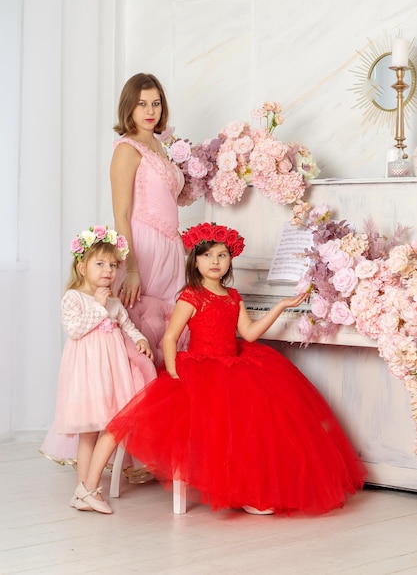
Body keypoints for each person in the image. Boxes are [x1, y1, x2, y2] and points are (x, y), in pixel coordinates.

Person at [74, 222, 367, 515]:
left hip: (234, 364)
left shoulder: (233, 296)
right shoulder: (191, 295)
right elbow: (171, 338)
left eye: (222, 255)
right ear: (195, 260)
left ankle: (251, 491)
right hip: (198, 367)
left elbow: (249, 334)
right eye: (207, 256)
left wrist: (281, 307)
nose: (215, 262)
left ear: (230, 260)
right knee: (195, 423)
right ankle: (88, 487)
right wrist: (175, 372)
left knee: (257, 418)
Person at [44, 226, 156, 514]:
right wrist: (98, 305)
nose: (109, 270)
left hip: (112, 370)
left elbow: (127, 325)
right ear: (82, 267)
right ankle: (86, 489)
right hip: (86, 373)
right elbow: (75, 329)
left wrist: (140, 339)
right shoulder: (74, 298)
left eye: (113, 265)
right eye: (100, 264)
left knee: (114, 424)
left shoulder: (115, 301)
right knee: (90, 432)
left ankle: (85, 490)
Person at [110, 72, 186, 314]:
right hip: (143, 246)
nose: (150, 111)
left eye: (156, 103)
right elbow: (121, 214)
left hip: (171, 246)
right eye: (141, 104)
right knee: (139, 323)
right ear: (129, 107)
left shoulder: (161, 147)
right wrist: (131, 269)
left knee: (168, 326)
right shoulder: (126, 149)